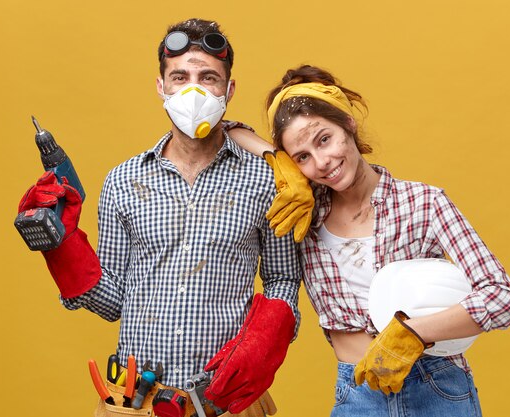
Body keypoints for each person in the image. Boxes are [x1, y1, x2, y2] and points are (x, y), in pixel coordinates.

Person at [17, 18, 302, 416]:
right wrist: (63, 250)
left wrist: (266, 337)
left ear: (228, 89)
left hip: (227, 403)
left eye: (209, 78)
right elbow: (114, 301)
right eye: (180, 76)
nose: (194, 89)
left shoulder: (267, 181)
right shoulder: (123, 180)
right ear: (161, 86)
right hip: (133, 402)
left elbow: (284, 277)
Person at [230, 64, 510, 417]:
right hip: (358, 392)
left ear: (349, 125)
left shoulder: (424, 202)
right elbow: (222, 129)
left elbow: (503, 298)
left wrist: (411, 332)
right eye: (302, 157)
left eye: (325, 139)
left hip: (436, 386)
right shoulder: (301, 219)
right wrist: (277, 160)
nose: (322, 162)